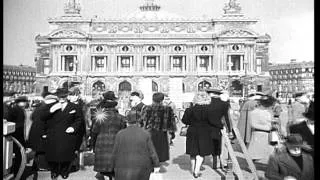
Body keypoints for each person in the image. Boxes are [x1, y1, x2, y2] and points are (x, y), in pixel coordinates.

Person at [43, 88, 84, 179]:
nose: (61, 98)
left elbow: (79, 119)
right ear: (57, 96)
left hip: (67, 135)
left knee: (66, 154)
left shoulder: (74, 107)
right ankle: (54, 171)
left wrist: (73, 127)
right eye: (59, 96)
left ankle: (64, 171)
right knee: (53, 154)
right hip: (53, 134)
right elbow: (42, 117)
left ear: (67, 96)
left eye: (63, 96)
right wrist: (51, 110)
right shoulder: (51, 106)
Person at [112, 110, 160, 180]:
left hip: (122, 169)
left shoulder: (120, 134)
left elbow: (114, 152)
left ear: (127, 121)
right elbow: (152, 152)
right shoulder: (145, 133)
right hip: (142, 169)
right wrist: (156, 165)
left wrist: (112, 166)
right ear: (139, 121)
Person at [91, 91, 126, 180]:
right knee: (114, 169)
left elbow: (94, 132)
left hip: (101, 144)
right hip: (116, 145)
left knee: (104, 170)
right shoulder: (121, 117)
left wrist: (93, 146)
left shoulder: (100, 116)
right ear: (115, 106)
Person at [27, 91, 58, 179]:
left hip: (35, 134)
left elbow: (32, 117)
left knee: (38, 151)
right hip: (43, 134)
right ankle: (43, 170)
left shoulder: (39, 107)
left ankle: (35, 168)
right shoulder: (50, 108)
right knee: (43, 152)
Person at [181, 91, 212, 178]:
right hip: (205, 132)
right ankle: (196, 170)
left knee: (193, 151)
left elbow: (184, 121)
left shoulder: (189, 110)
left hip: (192, 131)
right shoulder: (209, 110)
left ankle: (192, 168)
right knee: (201, 152)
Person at [140, 92, 177, 163]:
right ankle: (157, 166)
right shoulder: (167, 109)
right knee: (160, 150)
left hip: (149, 131)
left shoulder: (147, 108)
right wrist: (172, 134)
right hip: (162, 133)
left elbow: (142, 120)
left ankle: (151, 164)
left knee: (149, 149)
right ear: (162, 100)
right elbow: (171, 122)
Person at [205, 88, 233, 169]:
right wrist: (230, 130)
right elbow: (227, 118)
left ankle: (204, 162)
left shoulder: (206, 103)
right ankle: (218, 163)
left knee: (207, 143)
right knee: (218, 144)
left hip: (206, 127)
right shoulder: (224, 104)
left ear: (210, 94)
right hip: (218, 127)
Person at [247, 95, 277, 163]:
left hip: (267, 134)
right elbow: (253, 124)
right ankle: (252, 165)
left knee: (265, 152)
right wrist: (268, 127)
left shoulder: (267, 112)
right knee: (255, 152)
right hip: (259, 134)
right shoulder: (254, 112)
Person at [5, 95, 29, 178]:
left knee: (18, 156)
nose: (26, 103)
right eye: (25, 102)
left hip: (19, 135)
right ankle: (17, 173)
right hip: (17, 135)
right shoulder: (15, 109)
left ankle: (17, 172)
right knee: (18, 156)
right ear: (21, 102)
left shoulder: (20, 109)